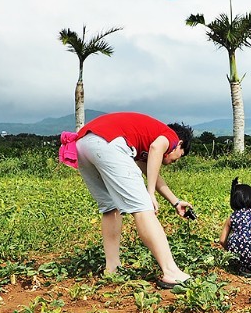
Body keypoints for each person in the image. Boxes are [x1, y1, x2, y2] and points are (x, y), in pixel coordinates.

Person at [62, 112, 194, 288]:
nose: (172, 162)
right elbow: (156, 149)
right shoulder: (170, 136)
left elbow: (150, 168)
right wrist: (150, 194)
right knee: (143, 208)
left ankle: (112, 268)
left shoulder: (144, 143)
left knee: (110, 207)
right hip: (108, 143)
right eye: (178, 157)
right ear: (179, 145)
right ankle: (171, 272)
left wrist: (175, 202)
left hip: (83, 144)